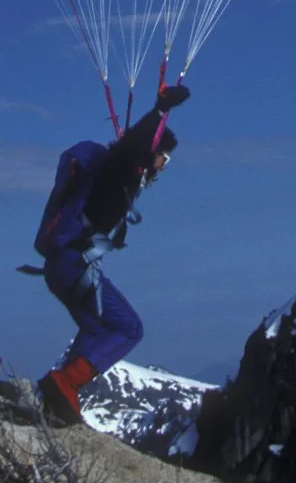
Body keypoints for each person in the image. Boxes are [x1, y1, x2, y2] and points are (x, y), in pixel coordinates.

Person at [35, 83, 190, 426]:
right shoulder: (117, 170)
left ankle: (55, 399)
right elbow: (130, 148)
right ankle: (65, 383)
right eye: (165, 158)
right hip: (74, 265)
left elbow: (131, 149)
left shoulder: (116, 179)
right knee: (129, 328)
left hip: (62, 265)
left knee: (94, 328)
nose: (164, 167)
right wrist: (161, 110)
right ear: (153, 152)